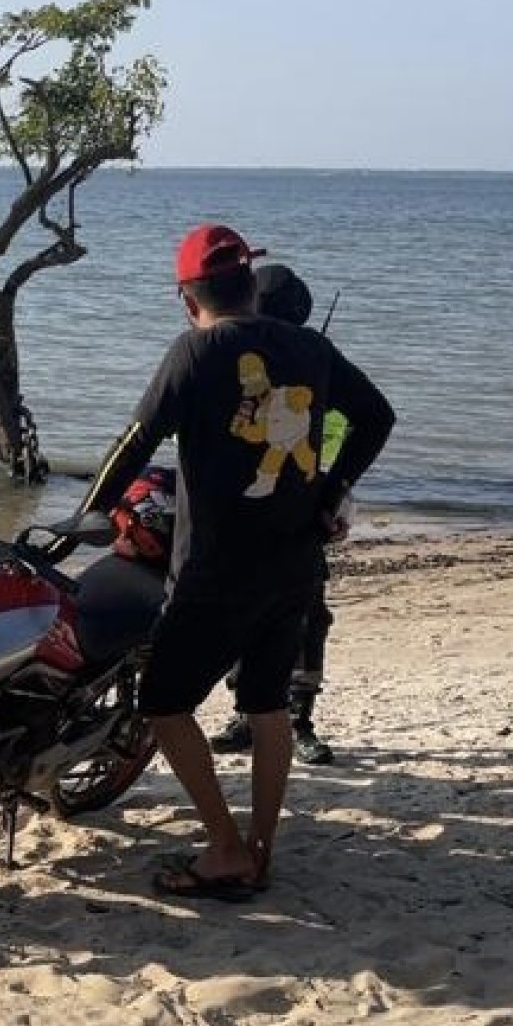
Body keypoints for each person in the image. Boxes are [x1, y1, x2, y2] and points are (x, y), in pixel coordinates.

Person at [73, 223, 395, 901]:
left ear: (187, 300)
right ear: (251, 285)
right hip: (295, 564)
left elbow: (133, 442)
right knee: (267, 705)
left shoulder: (194, 352)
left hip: (216, 568)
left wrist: (86, 514)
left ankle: (223, 848)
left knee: (164, 703)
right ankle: (261, 849)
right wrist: (332, 488)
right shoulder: (311, 346)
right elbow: (378, 417)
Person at [212, 262, 349, 765]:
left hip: (299, 517)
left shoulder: (317, 363)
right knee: (238, 617)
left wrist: (334, 496)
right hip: (242, 518)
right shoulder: (235, 361)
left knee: (308, 618)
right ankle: (246, 714)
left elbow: (348, 430)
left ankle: (299, 719)